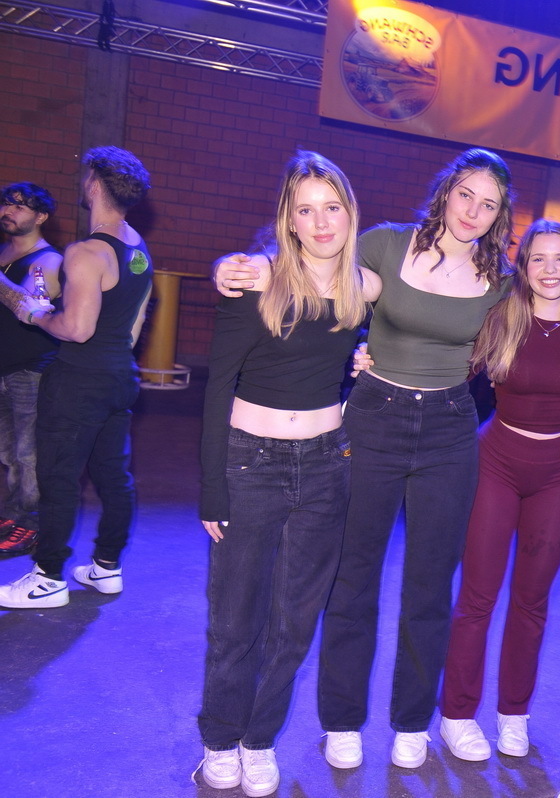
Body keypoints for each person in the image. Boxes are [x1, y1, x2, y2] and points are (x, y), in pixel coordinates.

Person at [214, 149, 560, 771]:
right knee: (353, 577)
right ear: (445, 192)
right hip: (374, 416)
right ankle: (342, 720)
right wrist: (242, 265)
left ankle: (412, 723)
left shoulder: (500, 282)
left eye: (488, 204)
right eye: (466, 195)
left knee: (430, 585)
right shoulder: (385, 245)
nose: (473, 211)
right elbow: (316, 268)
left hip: (449, 428)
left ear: (499, 215)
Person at [195, 151, 380, 797]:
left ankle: (258, 738)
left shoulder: (364, 288)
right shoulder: (257, 279)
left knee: (295, 621)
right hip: (250, 463)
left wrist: (366, 356)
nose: (321, 222)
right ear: (289, 220)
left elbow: (417, 320)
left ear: (350, 213)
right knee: (235, 617)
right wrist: (211, 487)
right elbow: (217, 385)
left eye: (332, 207)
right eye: (306, 210)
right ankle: (220, 736)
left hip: (327, 466)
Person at [437, 219, 560, 761]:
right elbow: (445, 365)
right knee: (477, 596)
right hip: (497, 463)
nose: (550, 269)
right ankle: (457, 715)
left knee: (531, 600)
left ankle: (514, 713)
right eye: (538, 258)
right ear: (524, 266)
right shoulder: (500, 319)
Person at [0, 146, 152, 609]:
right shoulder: (137, 247)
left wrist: (35, 314)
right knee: (113, 475)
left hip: (79, 379)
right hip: (118, 374)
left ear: (94, 184)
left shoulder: (87, 251)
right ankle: (106, 567)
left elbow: (77, 328)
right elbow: (135, 321)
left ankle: (47, 578)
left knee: (58, 476)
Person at [0, 182, 63, 557]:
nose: (8, 211)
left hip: (30, 370)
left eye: (20, 206)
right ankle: (14, 514)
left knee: (28, 454)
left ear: (41, 217)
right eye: (6, 203)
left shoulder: (49, 261)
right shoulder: (3, 253)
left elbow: (28, 304)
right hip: (3, 366)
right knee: (8, 452)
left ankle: (32, 524)